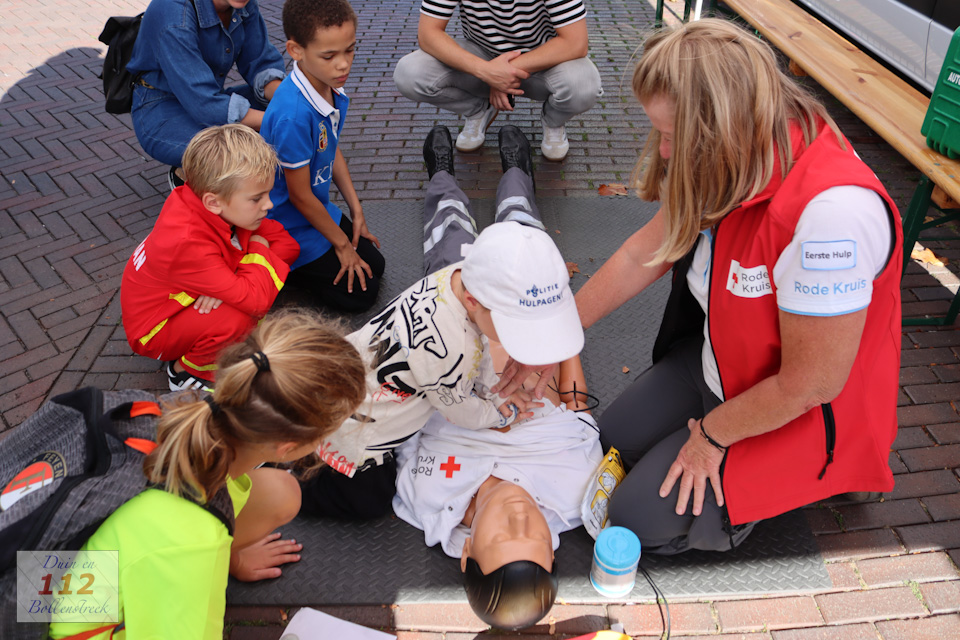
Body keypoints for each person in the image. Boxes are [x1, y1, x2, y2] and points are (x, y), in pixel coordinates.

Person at [497, 19, 903, 554]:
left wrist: (711, 437)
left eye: (673, 136)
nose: (664, 152)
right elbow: (643, 253)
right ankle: (715, 449)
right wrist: (555, 340)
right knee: (611, 438)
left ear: (723, 126)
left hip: (795, 407)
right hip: (724, 364)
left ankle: (816, 479)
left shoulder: (833, 218)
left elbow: (811, 386)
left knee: (635, 518)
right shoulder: (739, 149)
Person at [298, 124, 585, 519]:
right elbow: (460, 411)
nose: (515, 341)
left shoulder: (455, 280)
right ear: (475, 301)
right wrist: (503, 411)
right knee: (368, 499)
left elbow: (475, 351)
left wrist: (492, 387)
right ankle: (285, 476)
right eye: (514, 327)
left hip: (342, 382)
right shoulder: (447, 349)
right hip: (350, 432)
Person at [47, 310, 367, 639]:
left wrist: (233, 559)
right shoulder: (191, 541)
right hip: (68, 623)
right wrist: (202, 566)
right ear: (288, 447)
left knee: (280, 493)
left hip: (48, 577)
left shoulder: (201, 410)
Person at [393, 341, 602, 630]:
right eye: (537, 537)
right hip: (536, 346)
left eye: (502, 538)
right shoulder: (578, 489)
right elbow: (577, 403)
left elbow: (402, 417)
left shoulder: (427, 493)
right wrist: (567, 337)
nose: (519, 518)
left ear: (467, 552)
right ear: (552, 549)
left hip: (455, 344)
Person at [120, 124, 299, 392]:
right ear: (213, 202)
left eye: (267, 194)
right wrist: (258, 249)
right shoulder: (187, 242)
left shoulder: (212, 205)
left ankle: (214, 343)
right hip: (154, 329)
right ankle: (186, 373)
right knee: (237, 317)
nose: (269, 204)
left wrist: (235, 276)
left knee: (247, 295)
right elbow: (256, 302)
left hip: (176, 306)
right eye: (257, 198)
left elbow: (288, 244)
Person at [260, 0, 385, 314]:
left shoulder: (327, 86)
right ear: (296, 50)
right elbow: (299, 196)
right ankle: (281, 268)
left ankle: (315, 265)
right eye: (329, 56)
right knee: (361, 296)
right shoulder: (293, 115)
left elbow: (330, 147)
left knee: (375, 264)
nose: (343, 65)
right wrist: (342, 245)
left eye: (350, 50)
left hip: (314, 211)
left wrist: (357, 210)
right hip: (286, 225)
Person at [392, 0, 603, 161]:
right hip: (481, 56)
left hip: (542, 61)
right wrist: (486, 71)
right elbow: (428, 34)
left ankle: (553, 122)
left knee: (584, 83)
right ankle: (478, 109)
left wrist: (505, 71)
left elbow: (576, 42)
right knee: (410, 72)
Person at [127, 0, 286, 189]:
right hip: (161, 109)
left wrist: (291, 103)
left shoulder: (243, 3)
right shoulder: (172, 12)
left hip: (209, 97)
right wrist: (281, 121)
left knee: (293, 106)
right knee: (235, 154)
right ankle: (186, 174)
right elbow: (205, 104)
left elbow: (260, 62)